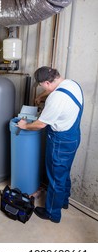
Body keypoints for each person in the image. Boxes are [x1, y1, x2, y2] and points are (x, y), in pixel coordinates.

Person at [17, 66, 84, 223]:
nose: (43, 88)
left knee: (55, 178)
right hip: (73, 136)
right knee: (64, 172)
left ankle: (52, 213)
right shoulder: (71, 84)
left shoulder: (56, 99)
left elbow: (40, 124)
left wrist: (24, 126)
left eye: (42, 86)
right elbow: (53, 90)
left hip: (60, 142)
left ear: (47, 82)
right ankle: (64, 201)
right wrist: (41, 96)